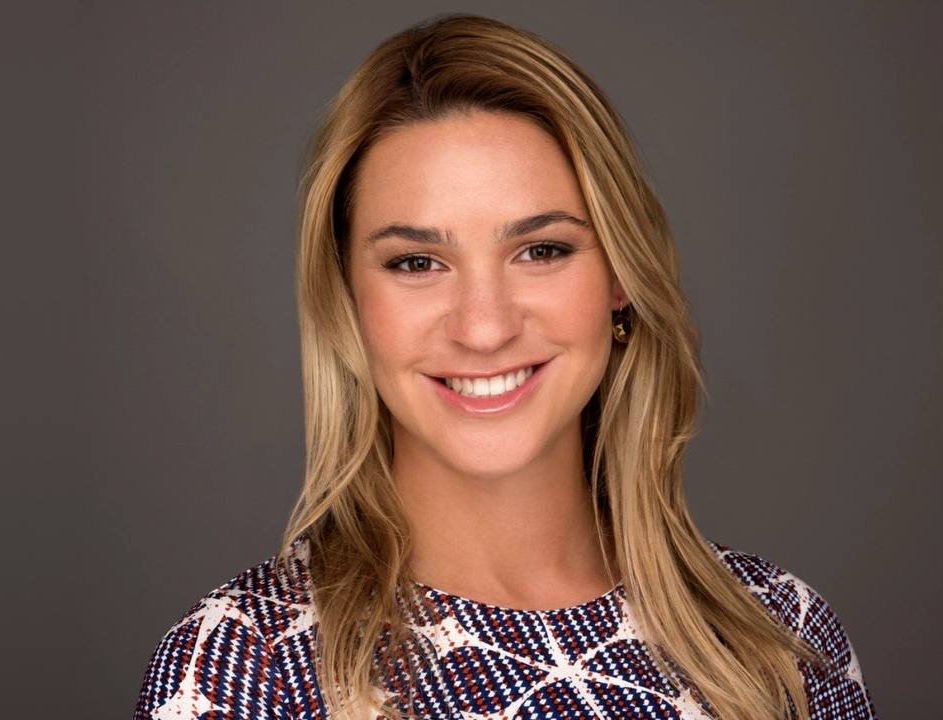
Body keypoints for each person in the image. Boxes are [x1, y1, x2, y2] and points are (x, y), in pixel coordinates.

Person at [133, 12, 877, 720]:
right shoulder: (241, 667)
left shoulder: (777, 638)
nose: (484, 328)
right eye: (417, 262)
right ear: (347, 298)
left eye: (541, 250)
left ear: (621, 275)